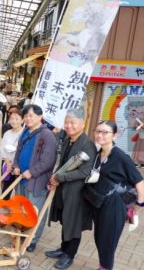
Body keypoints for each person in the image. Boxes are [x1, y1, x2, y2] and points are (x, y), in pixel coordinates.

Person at [84, 121, 144, 270]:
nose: (100, 135)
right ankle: (103, 265)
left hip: (115, 205)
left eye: (105, 132)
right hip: (100, 202)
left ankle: (105, 267)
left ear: (115, 135)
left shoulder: (121, 157)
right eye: (97, 131)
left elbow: (140, 182)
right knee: (99, 238)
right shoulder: (99, 153)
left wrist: (138, 207)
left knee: (107, 241)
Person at [46, 108, 97, 269]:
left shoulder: (87, 144)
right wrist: (55, 175)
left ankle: (69, 255)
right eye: (67, 122)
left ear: (83, 124)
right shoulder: (69, 140)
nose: (69, 126)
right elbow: (63, 165)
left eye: (73, 122)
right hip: (64, 191)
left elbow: (84, 172)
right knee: (65, 220)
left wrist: (60, 177)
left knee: (73, 224)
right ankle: (63, 248)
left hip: (77, 193)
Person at [12, 104, 57, 252]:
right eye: (25, 116)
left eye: (31, 115)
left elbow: (48, 160)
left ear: (40, 116)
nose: (27, 118)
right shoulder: (25, 131)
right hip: (21, 178)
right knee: (22, 207)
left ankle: (32, 240)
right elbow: (18, 151)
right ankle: (23, 234)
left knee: (34, 210)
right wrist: (16, 165)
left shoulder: (47, 134)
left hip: (36, 181)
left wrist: (32, 172)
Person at [0, 109, 23, 200]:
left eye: (17, 119)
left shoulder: (24, 133)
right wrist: (8, 163)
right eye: (12, 119)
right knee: (6, 190)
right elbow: (2, 149)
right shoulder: (7, 133)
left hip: (19, 167)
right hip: (8, 166)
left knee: (19, 192)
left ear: (22, 120)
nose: (14, 121)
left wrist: (15, 164)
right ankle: (2, 210)